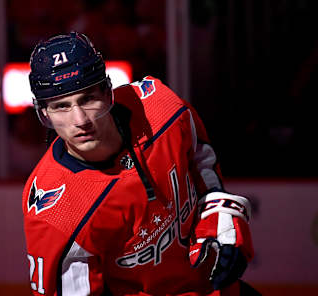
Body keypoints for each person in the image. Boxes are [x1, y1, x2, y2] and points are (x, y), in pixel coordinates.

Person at [22, 32, 257, 296]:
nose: (80, 120)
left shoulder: (163, 108)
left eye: (88, 99)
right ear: (44, 113)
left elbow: (202, 165)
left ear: (108, 91)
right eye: (62, 106)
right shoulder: (53, 211)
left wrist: (221, 222)